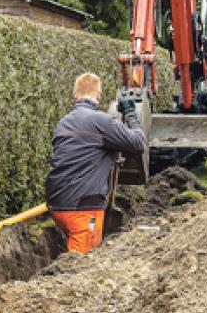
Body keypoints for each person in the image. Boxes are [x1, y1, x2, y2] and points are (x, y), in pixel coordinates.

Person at [45, 73, 146, 253]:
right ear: (99, 96)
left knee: (75, 256)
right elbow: (138, 144)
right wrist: (131, 114)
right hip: (83, 209)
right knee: (80, 266)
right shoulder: (101, 121)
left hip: (56, 205)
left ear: (74, 96)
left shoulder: (64, 123)